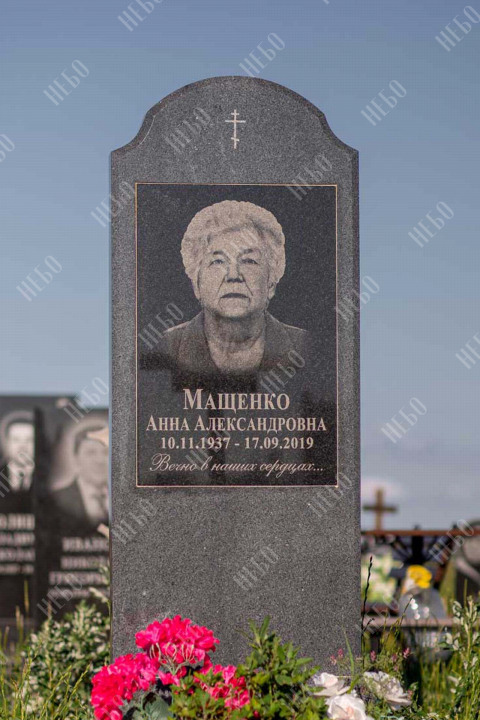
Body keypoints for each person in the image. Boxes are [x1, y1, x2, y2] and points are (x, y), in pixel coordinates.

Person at [144, 200, 308, 383]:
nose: (233, 275)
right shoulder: (162, 348)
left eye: (249, 261)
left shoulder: (306, 347)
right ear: (196, 284)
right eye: (218, 262)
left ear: (271, 283)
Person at [52, 425, 108, 532]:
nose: (100, 460)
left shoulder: (125, 499)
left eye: (106, 452)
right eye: (91, 453)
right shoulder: (56, 500)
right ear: (76, 459)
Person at [0, 413, 35, 495]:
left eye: (29, 439)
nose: (22, 446)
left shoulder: (50, 477)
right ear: (6, 443)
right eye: (16, 439)